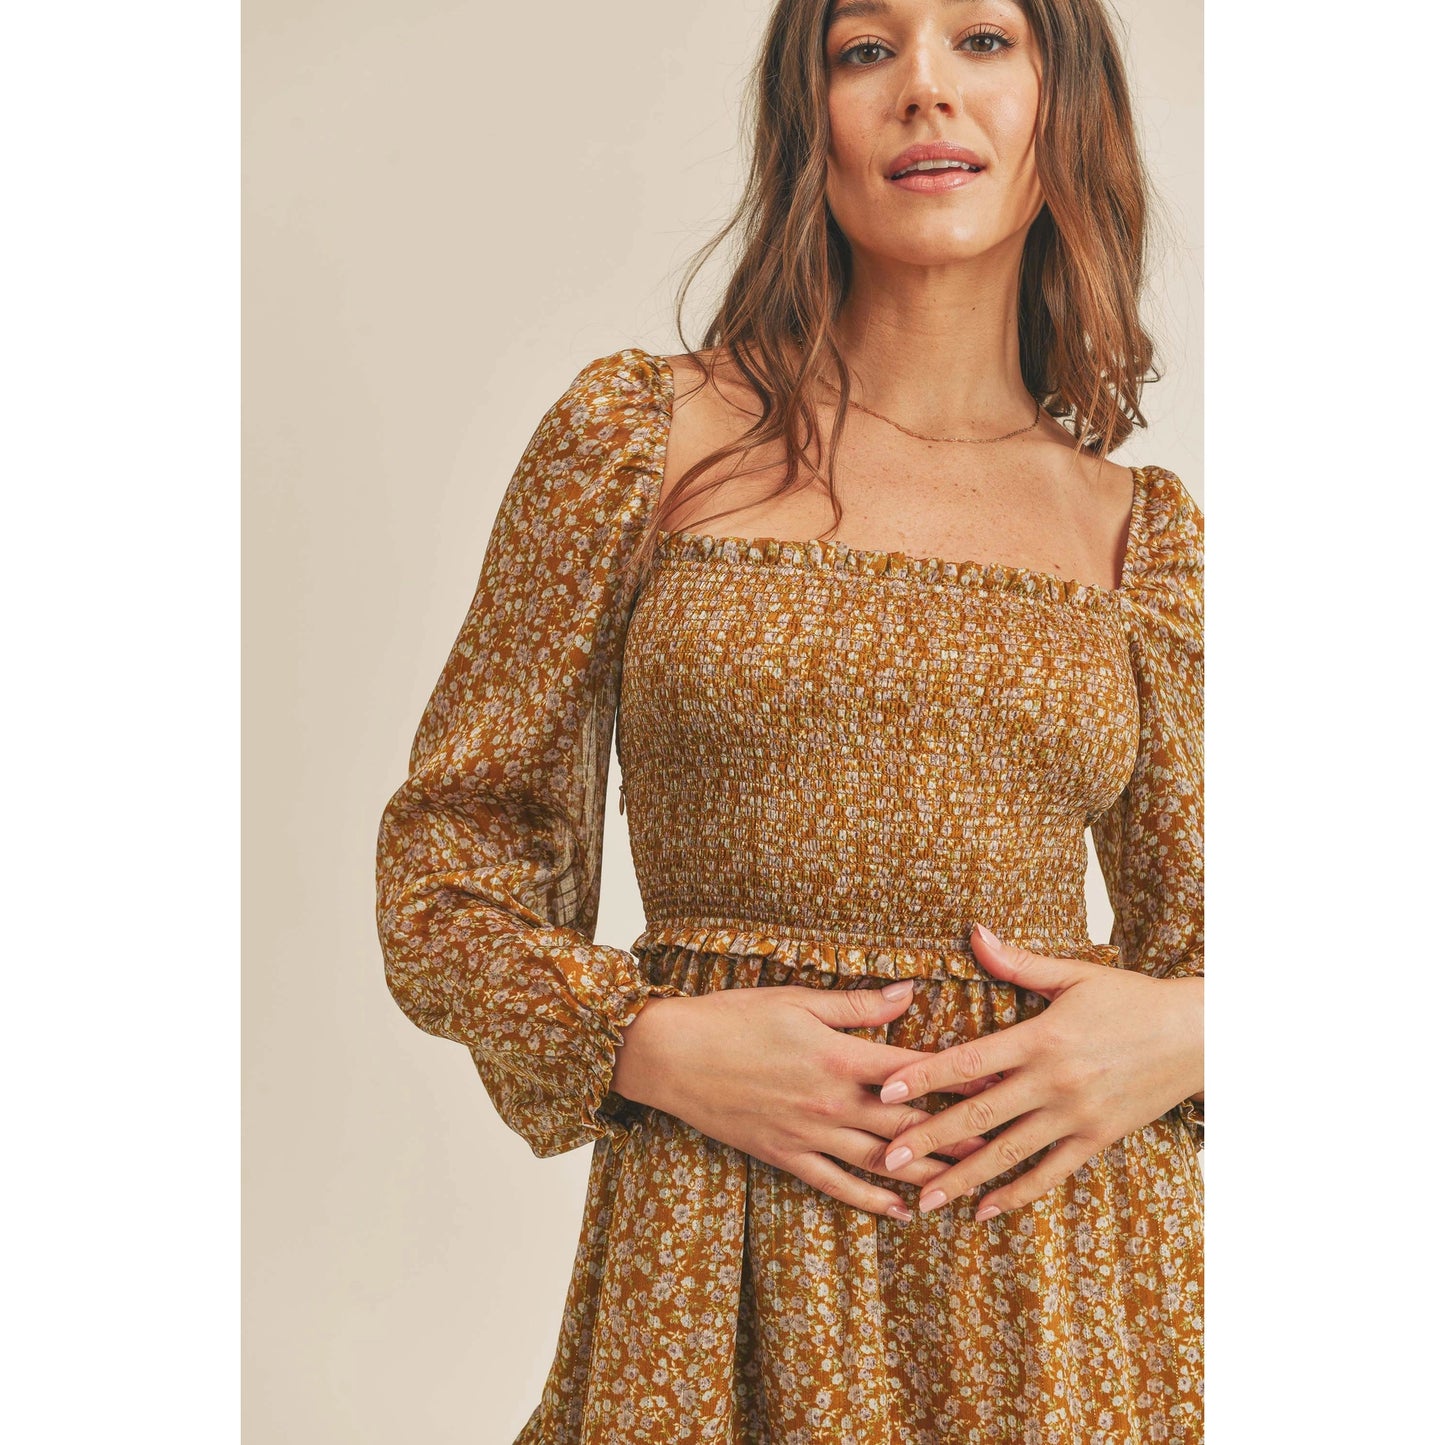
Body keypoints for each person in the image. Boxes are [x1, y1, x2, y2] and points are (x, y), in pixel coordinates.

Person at [374, 0, 1204, 1438]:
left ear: (1066, 104)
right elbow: (446, 865)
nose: (924, 89)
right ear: (803, 117)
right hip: (716, 1266)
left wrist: (1183, 1035)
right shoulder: (646, 439)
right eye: (863, 49)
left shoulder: (1138, 533)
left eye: (984, 41)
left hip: (1059, 1293)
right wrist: (644, 1039)